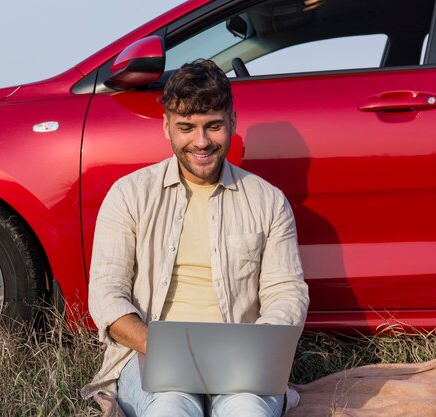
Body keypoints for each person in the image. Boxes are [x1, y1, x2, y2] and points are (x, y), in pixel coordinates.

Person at [82, 59, 309, 417]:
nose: (201, 142)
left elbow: (287, 292)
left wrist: (257, 349)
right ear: (166, 126)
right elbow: (106, 294)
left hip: (240, 361)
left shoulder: (268, 201)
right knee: (170, 408)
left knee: (247, 410)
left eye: (213, 126)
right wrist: (159, 348)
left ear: (232, 122)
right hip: (151, 355)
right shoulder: (128, 195)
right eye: (186, 127)